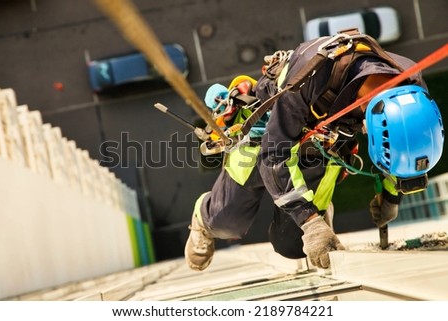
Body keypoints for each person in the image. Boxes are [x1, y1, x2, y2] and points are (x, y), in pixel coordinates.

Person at [184, 30, 444, 270]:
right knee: (226, 221)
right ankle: (202, 219)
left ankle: (318, 210)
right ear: (370, 124)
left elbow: (405, 144)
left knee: (294, 245)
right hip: (272, 133)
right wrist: (310, 221)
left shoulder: (410, 84)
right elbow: (272, 156)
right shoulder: (310, 77)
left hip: (323, 144)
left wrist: (392, 196)